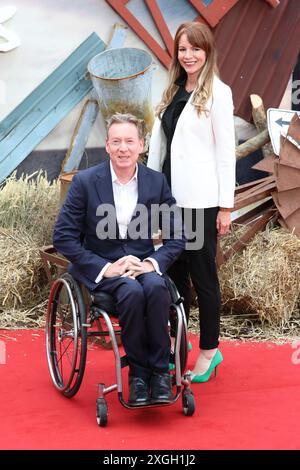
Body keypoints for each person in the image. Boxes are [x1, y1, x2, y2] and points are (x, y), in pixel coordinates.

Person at [53, 113, 185, 405]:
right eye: (116, 142)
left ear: (141, 144)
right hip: (104, 267)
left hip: (141, 262)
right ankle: (138, 374)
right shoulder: (86, 182)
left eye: (129, 141)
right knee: (131, 292)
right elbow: (63, 237)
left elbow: (178, 235)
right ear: (108, 146)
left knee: (154, 287)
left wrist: (151, 263)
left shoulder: (155, 182)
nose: (123, 148)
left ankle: (160, 372)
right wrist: (106, 268)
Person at [147, 21, 236, 383]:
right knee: (172, 277)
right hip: (169, 201)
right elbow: (159, 150)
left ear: (207, 52)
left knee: (203, 279)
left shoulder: (219, 92)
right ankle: (176, 350)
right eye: (183, 49)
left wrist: (225, 206)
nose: (189, 56)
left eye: (195, 49)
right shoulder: (170, 90)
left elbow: (226, 153)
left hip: (200, 204)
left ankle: (209, 352)